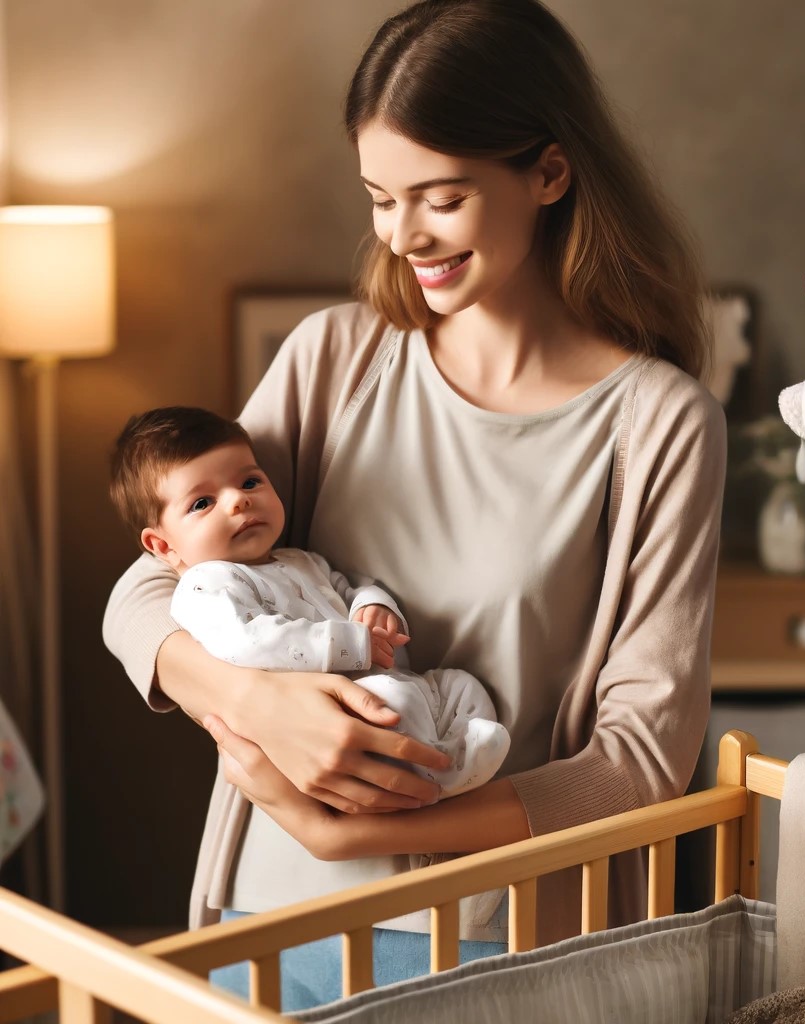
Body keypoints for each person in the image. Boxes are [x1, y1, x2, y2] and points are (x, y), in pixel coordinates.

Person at [103, 0, 726, 1007]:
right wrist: (255, 701)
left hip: (507, 945)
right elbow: (144, 589)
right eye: (381, 199)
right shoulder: (333, 360)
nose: (404, 237)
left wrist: (362, 828)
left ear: (549, 174)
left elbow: (642, 757)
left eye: (440, 197)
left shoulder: (659, 425)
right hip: (269, 918)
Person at [108, 404, 511, 804]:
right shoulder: (204, 586)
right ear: (162, 545)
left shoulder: (300, 560)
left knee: (459, 684)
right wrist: (351, 643)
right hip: (336, 707)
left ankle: (458, 751)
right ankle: (434, 771)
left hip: (392, 679)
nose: (237, 501)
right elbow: (251, 642)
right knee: (396, 704)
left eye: (249, 482)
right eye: (202, 503)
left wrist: (373, 608)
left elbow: (350, 588)